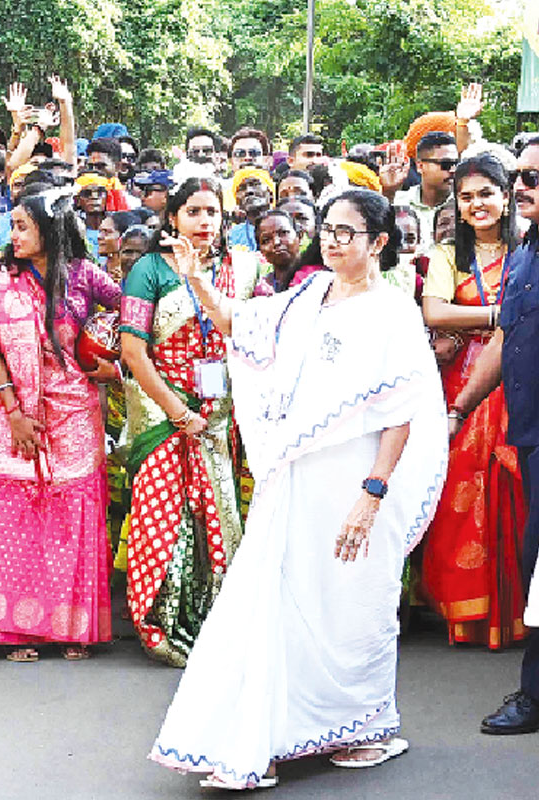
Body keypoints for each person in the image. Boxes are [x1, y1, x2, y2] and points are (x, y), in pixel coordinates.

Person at [149, 187, 447, 789]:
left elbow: (403, 411)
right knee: (281, 599)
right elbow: (242, 326)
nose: (333, 241)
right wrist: (195, 280)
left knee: (354, 602)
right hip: (295, 477)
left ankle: (367, 726)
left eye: (348, 233)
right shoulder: (307, 294)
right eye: (329, 230)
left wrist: (373, 492)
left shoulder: (394, 311)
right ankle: (272, 731)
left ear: (379, 243)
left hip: (359, 478)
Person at [0, 188, 120, 662]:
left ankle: (70, 628)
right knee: (16, 509)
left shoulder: (82, 276)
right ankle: (16, 631)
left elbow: (134, 313)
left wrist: (112, 361)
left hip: (75, 405)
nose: (11, 235)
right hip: (17, 408)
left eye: (21, 226)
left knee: (70, 512)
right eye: (10, 226)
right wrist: (13, 411)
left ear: (49, 229)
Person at [119, 176, 258, 666]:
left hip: (219, 413)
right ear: (173, 218)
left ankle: (218, 624)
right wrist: (178, 412)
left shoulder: (239, 268)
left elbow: (255, 332)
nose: (203, 222)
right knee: (163, 518)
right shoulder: (150, 270)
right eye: (193, 212)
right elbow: (133, 351)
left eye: (212, 212)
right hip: (163, 410)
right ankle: (160, 628)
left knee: (219, 518)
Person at [420, 154, 525, 649]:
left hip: (522, 375)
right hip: (463, 382)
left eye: (486, 193)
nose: (476, 204)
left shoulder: (527, 250)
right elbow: (436, 310)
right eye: (466, 197)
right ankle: (470, 613)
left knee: (516, 493)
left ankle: (517, 611)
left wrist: (474, 318)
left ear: (506, 197)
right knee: (460, 494)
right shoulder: (447, 255)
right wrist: (503, 313)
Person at [454, 139, 539, 734]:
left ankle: (532, 696)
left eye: (534, 175)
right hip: (531, 433)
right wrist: (459, 407)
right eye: (522, 175)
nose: (523, 185)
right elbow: (505, 340)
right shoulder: (526, 253)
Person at [391, 131, 458, 250]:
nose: (453, 170)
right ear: (420, 166)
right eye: (446, 164)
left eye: (456, 163)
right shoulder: (399, 202)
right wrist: (388, 191)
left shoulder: (464, 205)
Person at [252, 208, 323, 297]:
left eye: (283, 233)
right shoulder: (262, 289)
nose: (276, 242)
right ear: (261, 250)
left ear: (299, 236)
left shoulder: (317, 279)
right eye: (266, 240)